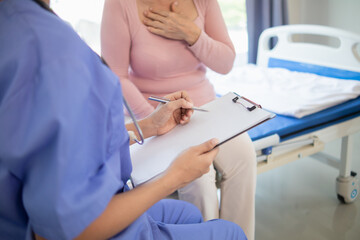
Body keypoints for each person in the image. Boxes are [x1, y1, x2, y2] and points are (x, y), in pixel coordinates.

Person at [0, 0, 248, 239]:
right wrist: (173, 177)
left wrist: (148, 126)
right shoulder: (55, 55)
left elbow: (73, 140)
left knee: (229, 170)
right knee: (224, 222)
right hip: (97, 216)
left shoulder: (19, 26)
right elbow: (61, 229)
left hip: (190, 111)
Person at [101, 0, 257, 239]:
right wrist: (153, 120)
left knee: (245, 155)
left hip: (206, 107)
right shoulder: (120, 5)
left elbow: (226, 63)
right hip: (156, 114)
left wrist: (192, 34)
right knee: (200, 179)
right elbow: (116, 76)